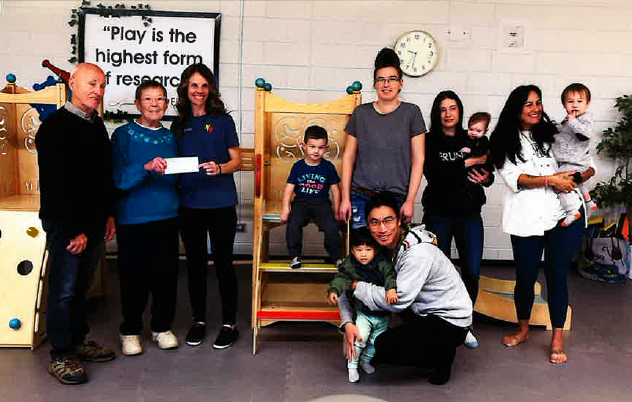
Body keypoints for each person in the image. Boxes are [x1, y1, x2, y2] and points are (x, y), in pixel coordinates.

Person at [489, 84, 595, 364]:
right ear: (516, 109)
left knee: (557, 276)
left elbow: (586, 160)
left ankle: (557, 337)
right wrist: (551, 180)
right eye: (528, 104)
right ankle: (523, 328)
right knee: (525, 278)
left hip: (561, 217)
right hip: (526, 219)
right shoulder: (501, 140)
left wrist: (582, 174)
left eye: (538, 103)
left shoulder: (553, 132)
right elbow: (515, 179)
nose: (536, 108)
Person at [35, 63, 116, 385]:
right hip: (68, 227)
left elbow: (101, 177)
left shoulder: (96, 126)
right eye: (92, 83)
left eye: (102, 85)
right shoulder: (55, 127)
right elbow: (56, 185)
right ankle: (61, 354)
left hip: (94, 224)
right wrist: (72, 230)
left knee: (82, 288)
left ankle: (79, 341)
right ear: (73, 83)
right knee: (64, 291)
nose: (98, 90)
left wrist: (108, 214)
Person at [340, 193, 473, 385]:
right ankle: (427, 338)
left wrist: (358, 286)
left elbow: (398, 300)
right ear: (368, 225)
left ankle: (443, 354)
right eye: (375, 222)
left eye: (388, 220)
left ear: (399, 220)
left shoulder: (417, 252)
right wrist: (347, 323)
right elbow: (344, 280)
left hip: (449, 318)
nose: (382, 229)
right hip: (422, 307)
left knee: (383, 348)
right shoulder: (369, 246)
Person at [172, 63, 242, 349]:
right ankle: (198, 321)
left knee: (224, 263)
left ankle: (229, 323)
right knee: (196, 266)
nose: (199, 91)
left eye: (203, 85)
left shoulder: (223, 121)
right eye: (193, 85)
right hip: (189, 205)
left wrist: (220, 168)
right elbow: (174, 165)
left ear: (210, 89)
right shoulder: (178, 125)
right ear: (186, 90)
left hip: (221, 203)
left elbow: (235, 161)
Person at [111, 80, 180, 356]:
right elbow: (118, 178)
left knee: (166, 276)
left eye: (160, 99)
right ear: (137, 105)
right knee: (134, 279)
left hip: (167, 215)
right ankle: (130, 331)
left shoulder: (170, 137)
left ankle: (161, 327)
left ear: (166, 104)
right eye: (149, 100)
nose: (155, 104)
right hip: (133, 217)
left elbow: (176, 174)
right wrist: (146, 167)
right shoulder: (123, 135)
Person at [422, 91, 493, 349]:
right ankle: (439, 321)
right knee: (438, 273)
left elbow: (489, 167)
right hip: (438, 214)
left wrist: (486, 177)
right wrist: (471, 161)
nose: (448, 113)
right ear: (436, 113)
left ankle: (464, 322)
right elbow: (435, 172)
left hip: (470, 214)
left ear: (460, 111)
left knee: (472, 271)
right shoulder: (429, 141)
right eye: (443, 109)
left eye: (453, 108)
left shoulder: (471, 137)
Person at [339, 47, 426, 228]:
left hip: (396, 197)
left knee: (392, 255)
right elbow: (348, 157)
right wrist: (345, 198)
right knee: (362, 253)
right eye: (381, 79)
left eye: (392, 79)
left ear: (401, 83)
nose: (386, 84)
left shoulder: (412, 113)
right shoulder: (360, 113)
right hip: (361, 196)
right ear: (375, 84)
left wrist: (410, 200)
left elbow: (419, 159)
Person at [327, 227, 398, 383]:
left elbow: (390, 275)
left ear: (375, 250)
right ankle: (352, 365)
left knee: (376, 342)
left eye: (368, 249)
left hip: (382, 313)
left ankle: (366, 360)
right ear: (352, 251)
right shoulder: (349, 265)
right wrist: (334, 290)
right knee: (361, 338)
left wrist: (391, 289)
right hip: (364, 313)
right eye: (359, 250)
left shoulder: (382, 263)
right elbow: (341, 278)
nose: (364, 254)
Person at [280, 125, 341, 269]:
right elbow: (289, 188)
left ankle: (336, 257)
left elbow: (335, 190)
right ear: (304, 145)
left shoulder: (328, 167)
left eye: (320, 147)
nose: (316, 151)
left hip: (322, 204)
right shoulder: (298, 167)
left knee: (332, 227)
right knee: (293, 224)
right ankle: (295, 256)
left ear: (326, 148)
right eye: (312, 146)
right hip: (301, 203)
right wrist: (285, 208)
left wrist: (337, 210)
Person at [552, 83, 598, 226]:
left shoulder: (584, 119)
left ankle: (572, 211)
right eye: (570, 102)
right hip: (574, 161)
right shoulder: (568, 121)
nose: (575, 105)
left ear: (587, 103)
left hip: (574, 162)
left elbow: (585, 134)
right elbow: (563, 136)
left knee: (558, 184)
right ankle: (589, 200)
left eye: (580, 101)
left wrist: (572, 122)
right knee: (577, 181)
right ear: (564, 105)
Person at [463, 112, 494, 178]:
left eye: (478, 131)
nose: (474, 133)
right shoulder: (464, 136)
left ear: (485, 132)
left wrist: (471, 150)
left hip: (479, 164)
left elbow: (483, 152)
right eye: (471, 129)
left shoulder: (484, 140)